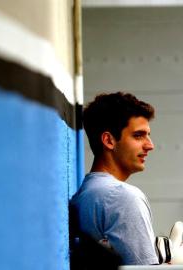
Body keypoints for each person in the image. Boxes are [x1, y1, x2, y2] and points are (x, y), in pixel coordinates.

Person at [69, 92, 158, 265]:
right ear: (109, 140)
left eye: (148, 135)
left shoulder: (88, 192)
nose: (150, 145)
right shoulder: (123, 197)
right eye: (138, 135)